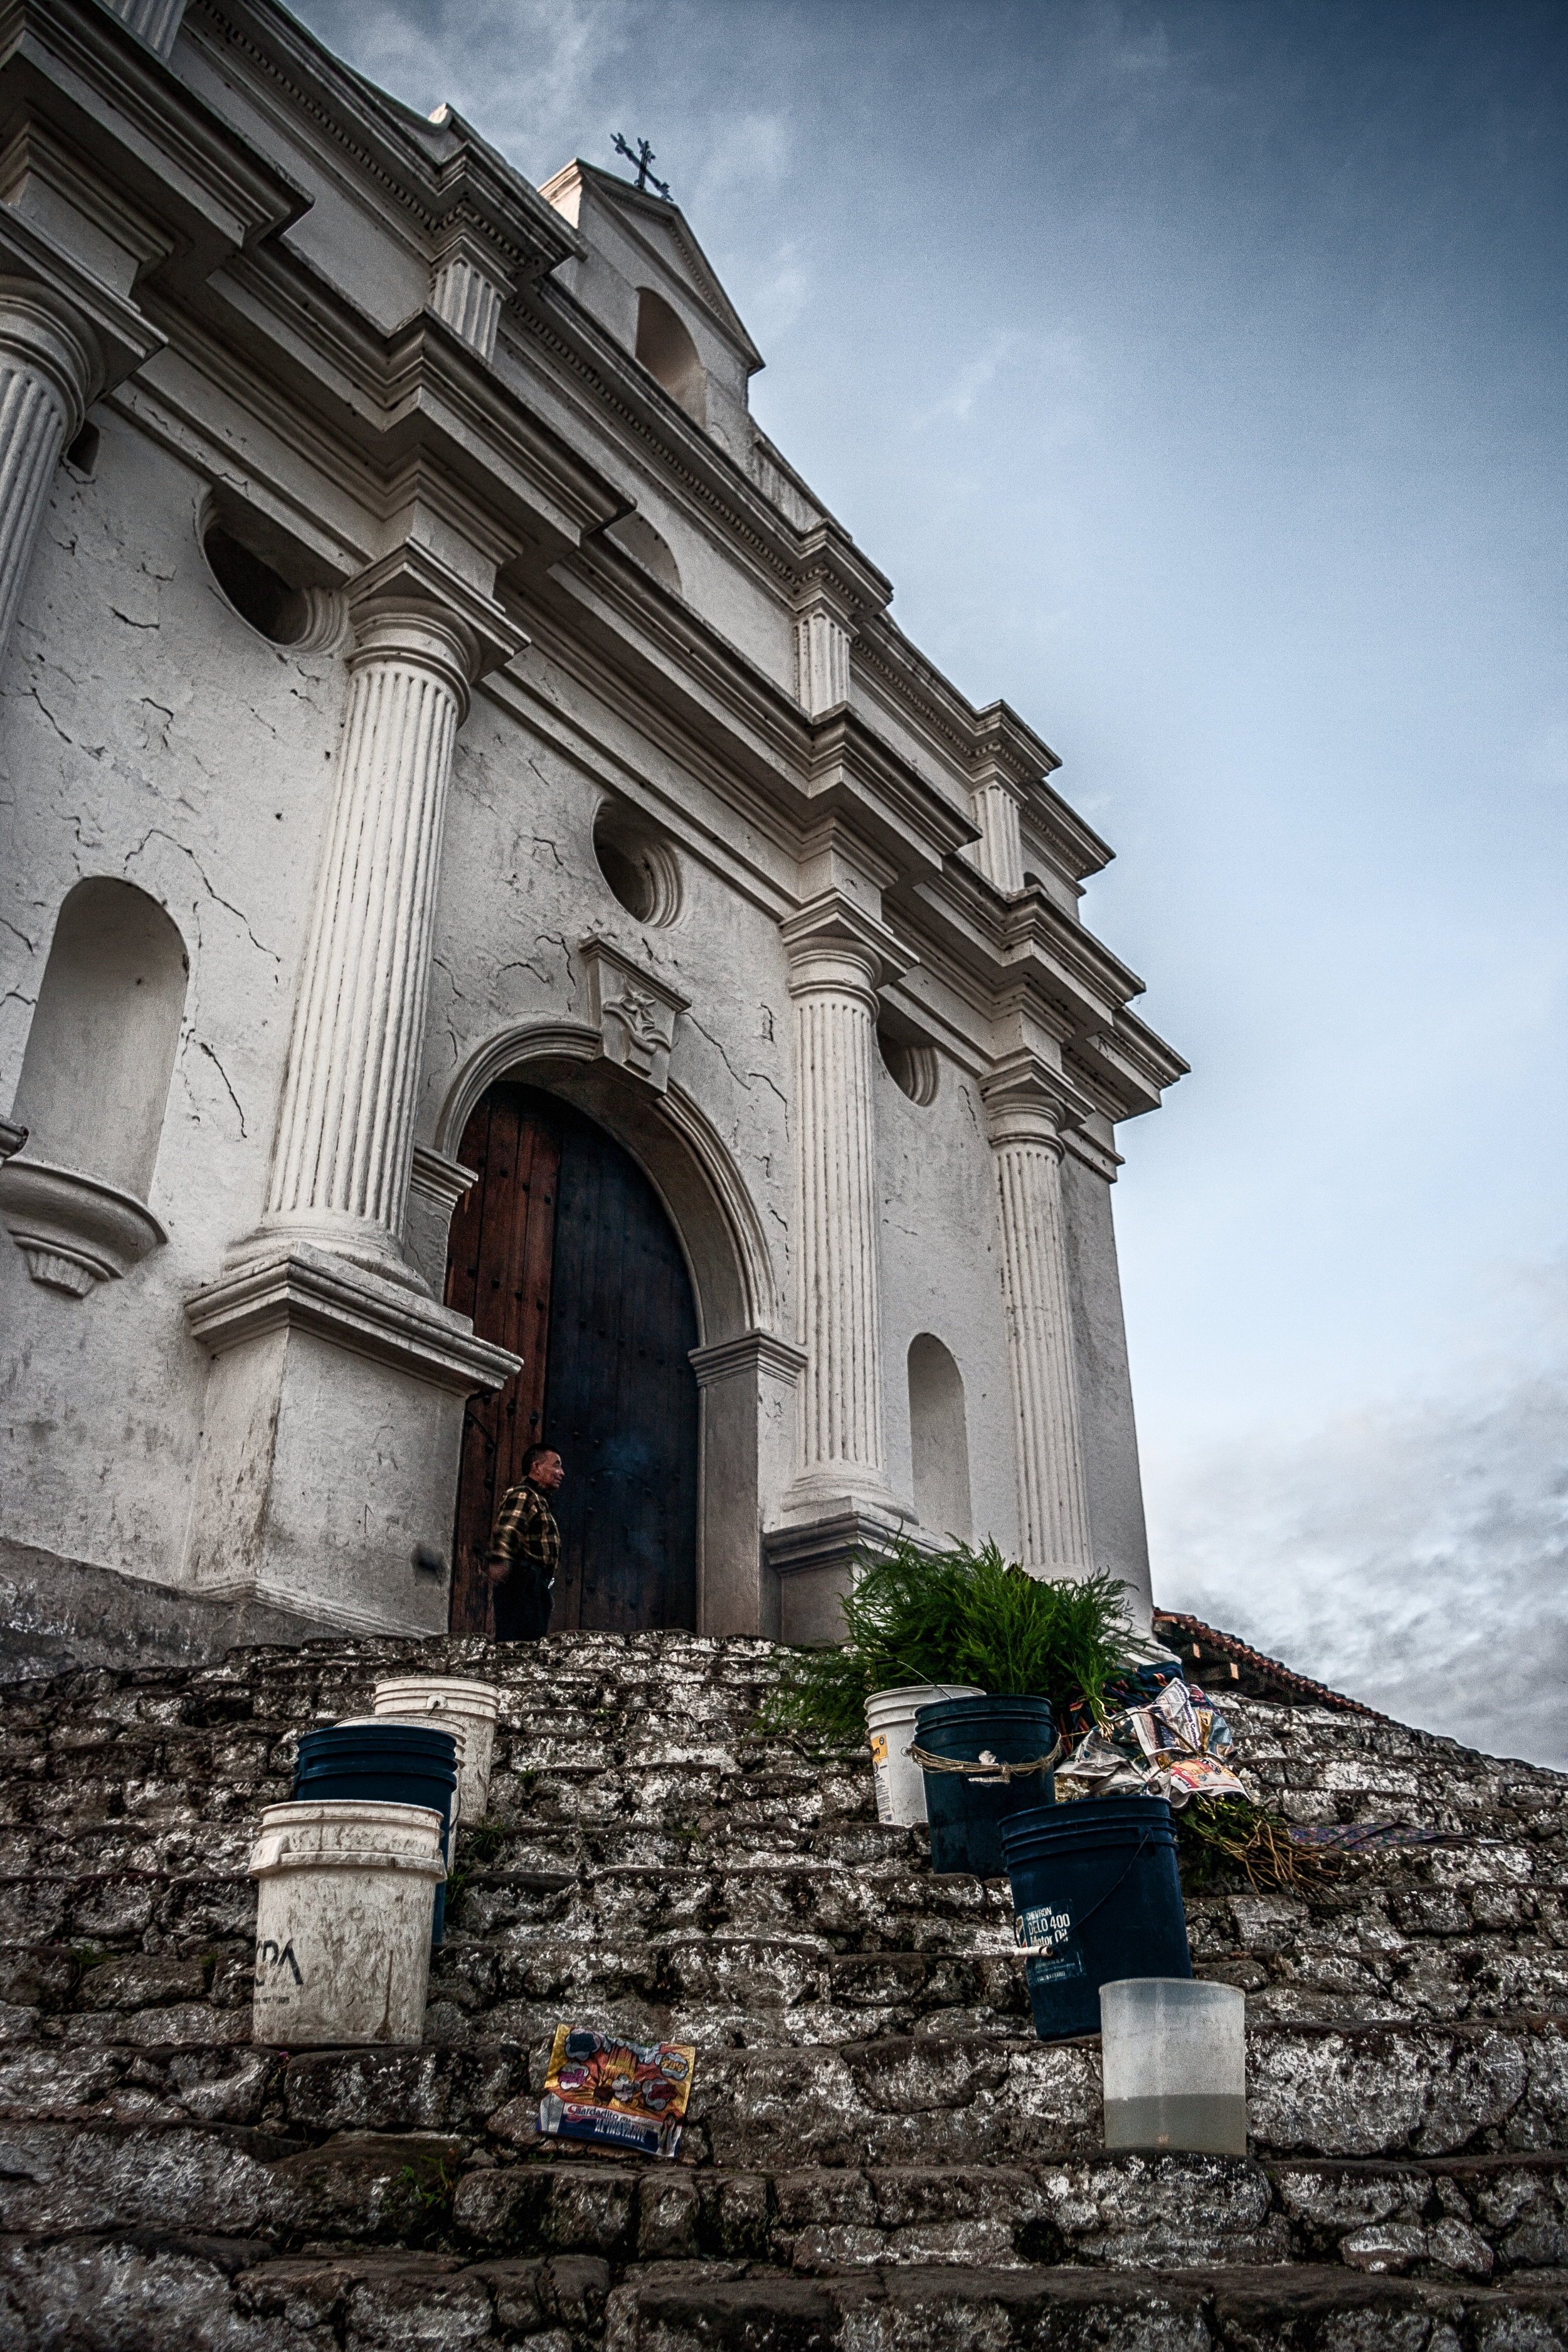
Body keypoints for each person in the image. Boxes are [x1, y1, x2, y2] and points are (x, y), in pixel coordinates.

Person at [486, 1444, 564, 1641]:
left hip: (533, 1585)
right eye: (556, 1466)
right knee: (517, 1644)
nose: (561, 1473)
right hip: (522, 1584)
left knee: (530, 1641)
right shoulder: (524, 1494)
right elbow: (509, 1529)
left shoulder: (539, 1500)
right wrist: (500, 1561)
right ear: (537, 1467)